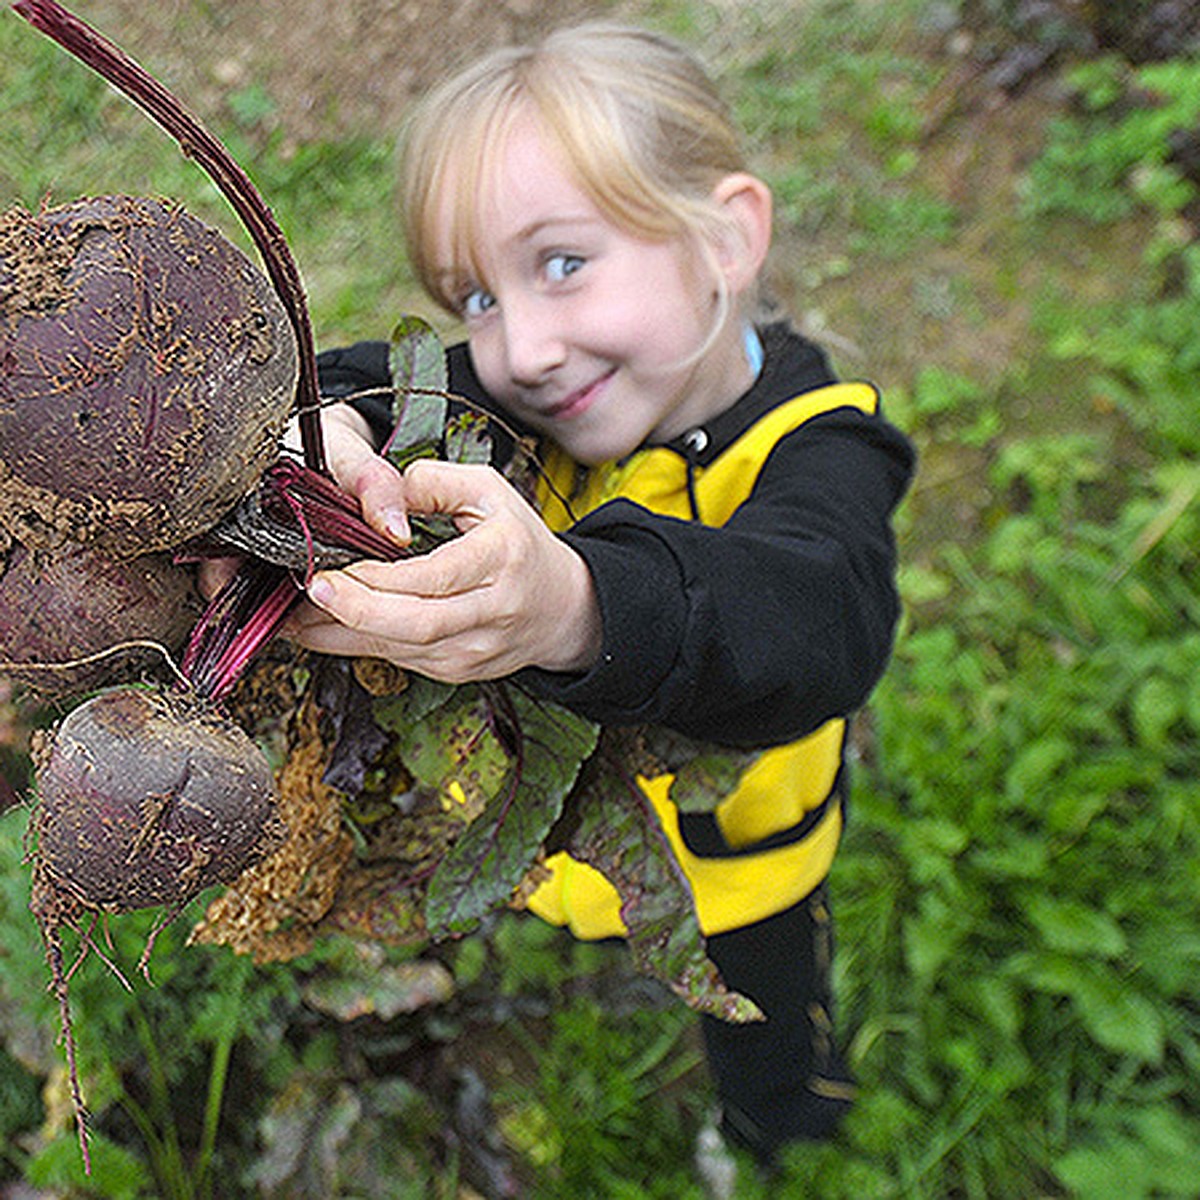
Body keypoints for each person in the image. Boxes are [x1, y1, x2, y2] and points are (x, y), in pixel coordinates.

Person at [285, 21, 915, 1167]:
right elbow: (374, 379)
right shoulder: (539, 383)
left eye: (563, 263)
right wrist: (330, 424)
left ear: (725, 235)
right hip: (566, 857)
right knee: (578, 909)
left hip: (740, 869)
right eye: (474, 296)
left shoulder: (824, 446)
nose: (519, 347)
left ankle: (776, 1131)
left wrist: (581, 603)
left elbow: (821, 621)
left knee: (763, 1009)